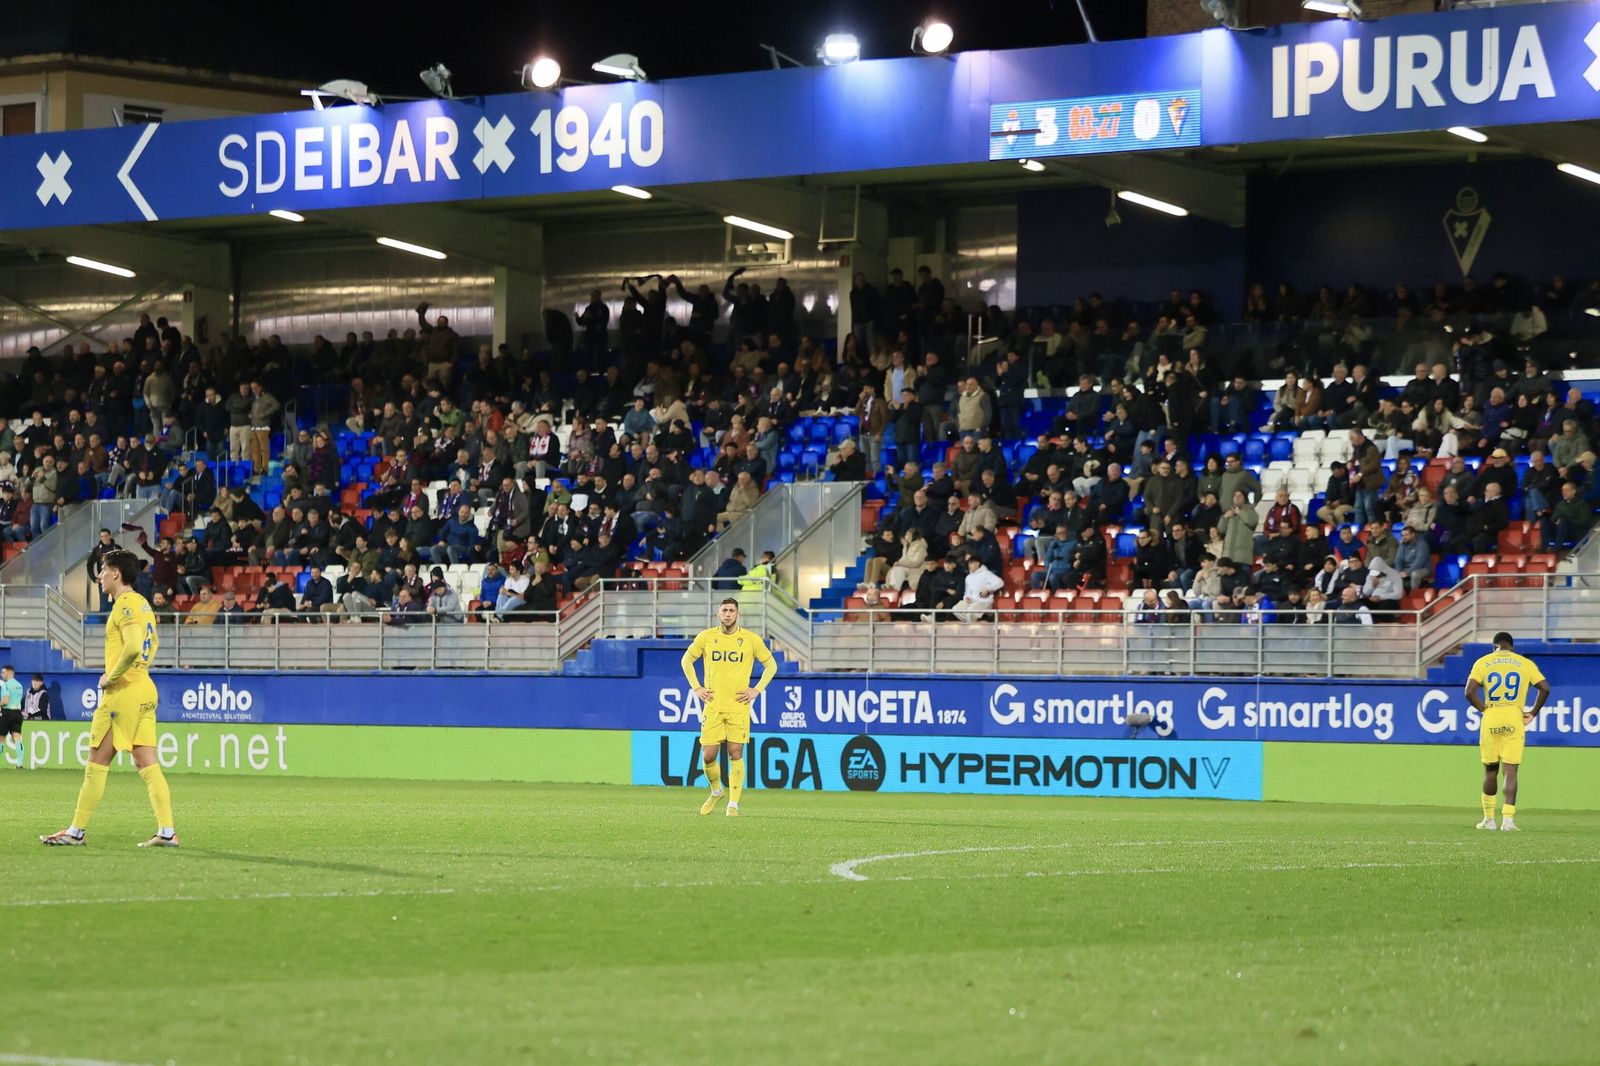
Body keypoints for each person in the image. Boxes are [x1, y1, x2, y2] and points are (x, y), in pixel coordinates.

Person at [41, 549, 177, 847]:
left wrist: (109, 677)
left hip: (123, 692)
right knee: (147, 763)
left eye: (103, 570)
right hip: (145, 687)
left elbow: (130, 647)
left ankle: (76, 831)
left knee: (97, 761)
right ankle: (167, 831)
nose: (99, 576)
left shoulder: (125, 606)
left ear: (116, 573)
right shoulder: (142, 604)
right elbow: (152, 642)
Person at [680, 598, 778, 817]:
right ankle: (716, 791)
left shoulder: (751, 640)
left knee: (735, 753)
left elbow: (771, 665)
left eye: (731, 611)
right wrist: (696, 687)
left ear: (738, 614)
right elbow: (686, 661)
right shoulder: (706, 637)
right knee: (708, 755)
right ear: (718, 614)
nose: (728, 614)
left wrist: (757, 689)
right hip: (713, 706)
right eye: (724, 610)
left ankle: (733, 804)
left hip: (738, 706)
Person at [1466, 631, 1549, 832]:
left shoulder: (1483, 662)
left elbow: (1469, 692)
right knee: (1510, 771)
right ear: (1511, 647)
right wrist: (1532, 713)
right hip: (1514, 716)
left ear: (1494, 646)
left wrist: (1484, 709)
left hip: (1492, 715)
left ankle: (1488, 819)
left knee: (1490, 770)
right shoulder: (1525, 663)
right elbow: (1544, 688)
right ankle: (1508, 821)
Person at [0, 664, 23, 768]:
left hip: (7, 713)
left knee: (1, 738)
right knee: (17, 737)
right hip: (18, 713)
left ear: (9, 672)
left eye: (3, 672)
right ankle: (20, 763)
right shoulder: (20, 685)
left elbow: (5, 701)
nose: (2, 675)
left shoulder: (6, 685)